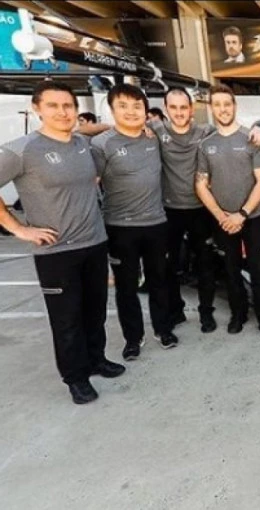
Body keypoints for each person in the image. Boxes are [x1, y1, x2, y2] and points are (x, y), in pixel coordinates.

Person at [0, 80, 124, 404]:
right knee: (67, 319)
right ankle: (75, 378)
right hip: (56, 251)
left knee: (95, 311)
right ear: (36, 109)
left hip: (94, 242)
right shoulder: (22, 149)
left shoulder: (82, 144)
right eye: (53, 105)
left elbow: (92, 139)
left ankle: (96, 359)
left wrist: (114, 126)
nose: (62, 112)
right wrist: (19, 229)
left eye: (68, 105)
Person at [90, 84, 179, 360]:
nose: (131, 112)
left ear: (146, 110)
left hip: (156, 223)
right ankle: (133, 338)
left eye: (137, 106)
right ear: (112, 110)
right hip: (120, 227)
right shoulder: (101, 144)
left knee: (159, 280)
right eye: (123, 106)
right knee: (126, 286)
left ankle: (163, 329)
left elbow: (181, 126)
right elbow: (91, 183)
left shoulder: (155, 136)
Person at [195, 84, 260, 339]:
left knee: (259, 271)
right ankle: (239, 314)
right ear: (211, 108)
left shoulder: (252, 138)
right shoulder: (206, 145)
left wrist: (242, 214)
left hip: (252, 218)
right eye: (217, 104)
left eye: (227, 104)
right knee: (231, 270)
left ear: (234, 106)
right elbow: (200, 184)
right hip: (222, 220)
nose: (223, 109)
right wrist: (222, 216)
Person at [146, 88, 218, 333]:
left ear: (191, 109)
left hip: (201, 209)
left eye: (183, 107)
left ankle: (206, 313)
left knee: (205, 265)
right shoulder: (155, 130)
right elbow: (118, 129)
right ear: (166, 109)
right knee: (168, 266)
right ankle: (176, 311)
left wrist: (256, 130)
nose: (179, 112)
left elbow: (232, 134)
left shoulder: (206, 131)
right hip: (169, 211)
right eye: (173, 108)